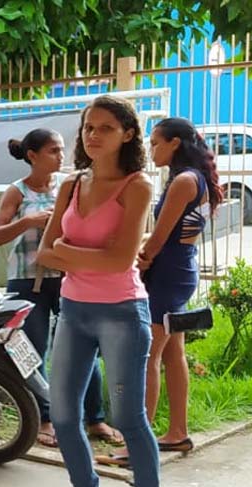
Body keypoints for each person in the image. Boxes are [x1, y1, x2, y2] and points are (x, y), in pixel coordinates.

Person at [34, 95, 162, 487]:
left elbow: (121, 260)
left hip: (122, 312)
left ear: (128, 134)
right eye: (89, 127)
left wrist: (69, 253)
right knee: (64, 415)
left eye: (105, 127)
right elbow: (44, 253)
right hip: (74, 308)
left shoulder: (137, 186)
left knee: (128, 416)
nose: (93, 135)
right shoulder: (70, 184)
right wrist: (76, 256)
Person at [0, 128, 122, 448]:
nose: (61, 157)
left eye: (62, 150)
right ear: (32, 156)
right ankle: (45, 419)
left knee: (84, 347)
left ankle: (96, 419)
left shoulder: (72, 185)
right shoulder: (17, 191)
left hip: (68, 278)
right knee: (34, 352)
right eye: (53, 151)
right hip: (26, 280)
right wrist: (28, 221)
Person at [101, 118, 222, 465]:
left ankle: (137, 445)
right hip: (179, 271)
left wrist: (137, 261)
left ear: (174, 144)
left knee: (146, 356)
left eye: (156, 143)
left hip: (167, 274)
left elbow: (160, 237)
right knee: (172, 354)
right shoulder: (192, 178)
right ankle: (177, 433)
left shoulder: (184, 181)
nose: (151, 149)